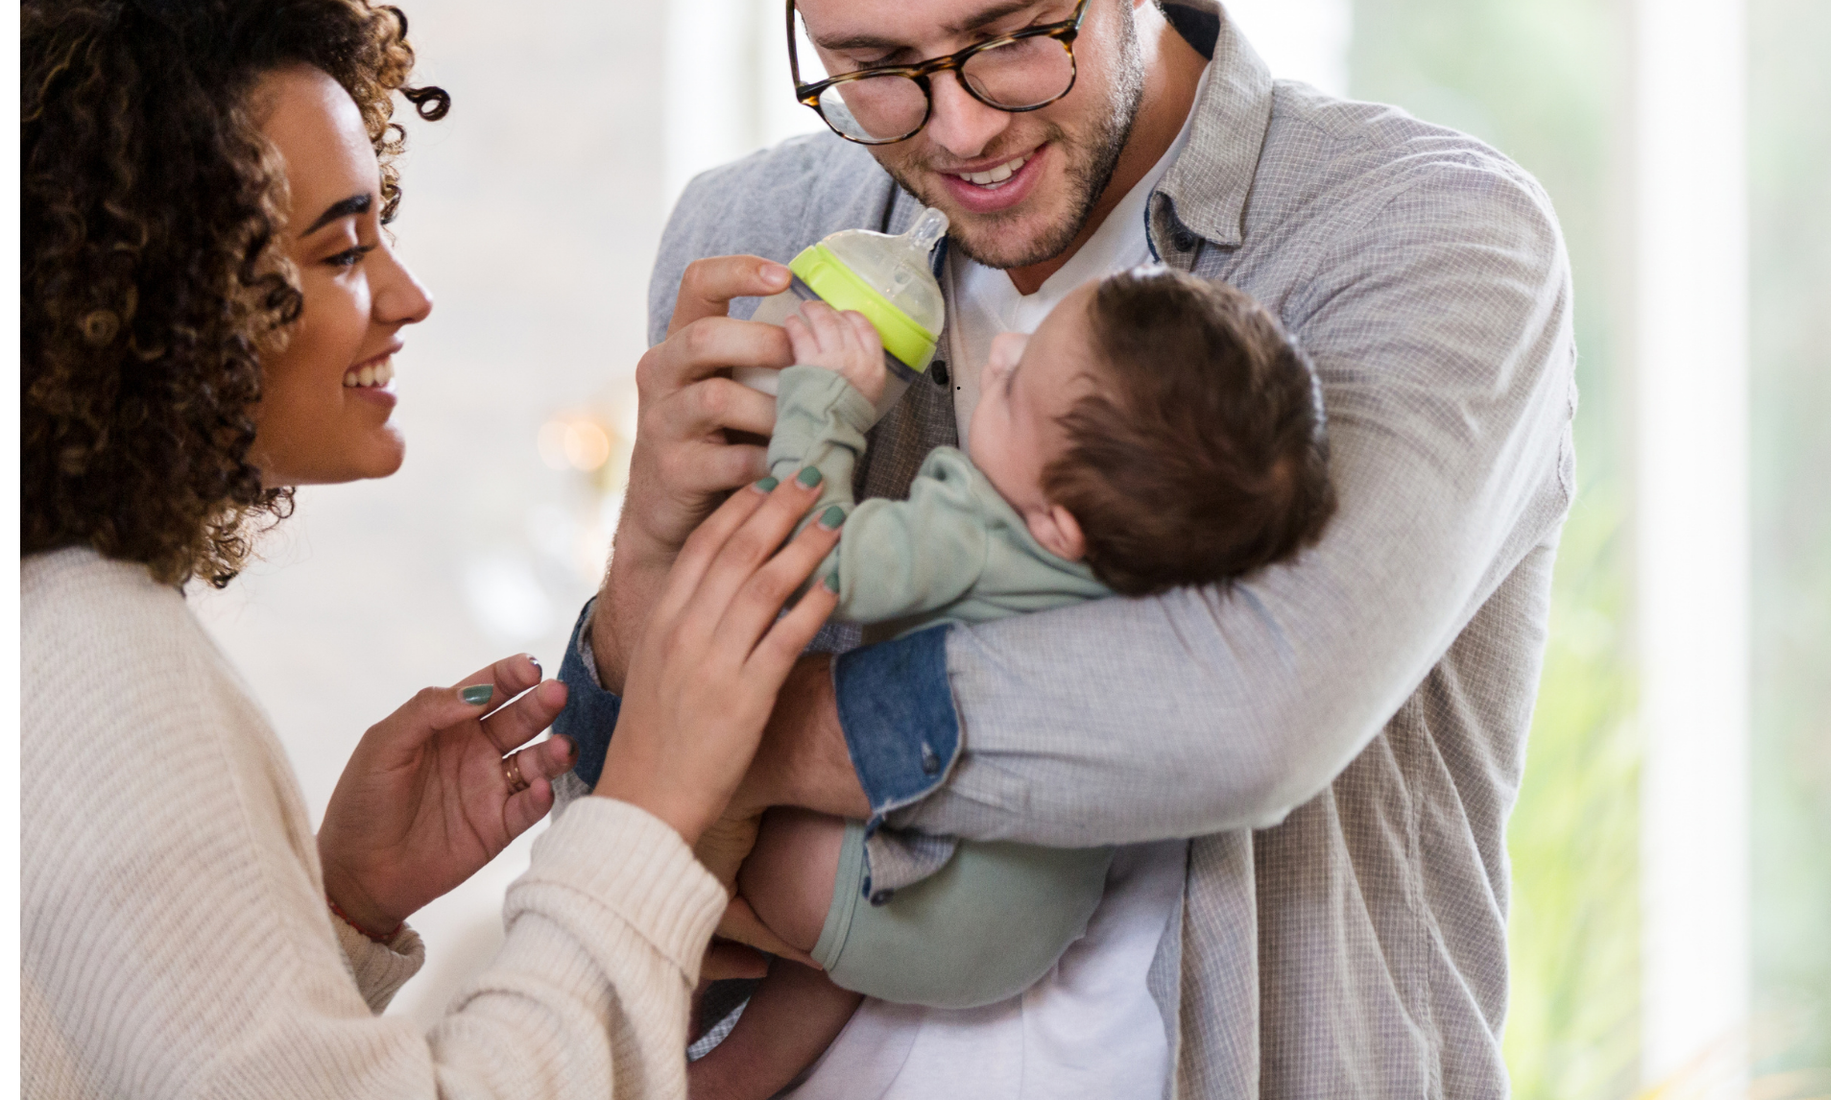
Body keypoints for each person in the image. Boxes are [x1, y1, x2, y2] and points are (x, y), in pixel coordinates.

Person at [556, 0, 1577, 1095]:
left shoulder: (1426, 233)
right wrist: (651, 546)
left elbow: (1248, 714)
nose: (958, 130)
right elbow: (643, 930)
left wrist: (706, 740)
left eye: (1007, 38)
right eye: (873, 66)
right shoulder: (758, 227)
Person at [20, 2, 840, 1097]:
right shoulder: (93, 655)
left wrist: (339, 904)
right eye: (342, 248)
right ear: (163, 290)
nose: (409, 297)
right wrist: (650, 799)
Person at [681, 267, 1335, 1099]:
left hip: (919, 903)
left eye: (1019, 387)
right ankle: (732, 1078)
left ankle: (666, 1017)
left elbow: (808, 561)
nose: (1004, 353)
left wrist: (827, 405)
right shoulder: (1155, 568)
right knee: (856, 946)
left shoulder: (979, 532)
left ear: (1056, 526)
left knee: (715, 812)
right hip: (1026, 922)